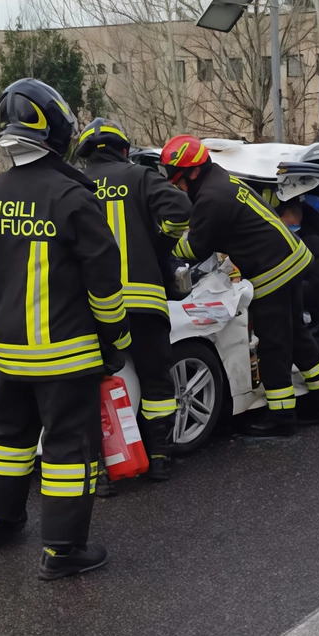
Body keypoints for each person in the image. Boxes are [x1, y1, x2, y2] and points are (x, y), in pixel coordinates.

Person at [0, 79, 129, 580]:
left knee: (8, 439)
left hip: (8, 352)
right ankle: (62, 550)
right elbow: (104, 283)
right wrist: (117, 342)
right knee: (66, 451)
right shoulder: (74, 197)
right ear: (58, 130)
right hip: (66, 354)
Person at [163, 135, 319, 435]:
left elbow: (195, 249)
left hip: (272, 271)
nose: (176, 186)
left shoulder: (211, 197)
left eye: (178, 179)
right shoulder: (220, 179)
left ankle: (282, 419)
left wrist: (166, 245)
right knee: (297, 336)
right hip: (292, 259)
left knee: (273, 346)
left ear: (193, 172)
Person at [78, 117, 191, 481]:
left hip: (91, 306)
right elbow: (181, 212)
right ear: (124, 149)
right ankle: (159, 456)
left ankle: (98, 466)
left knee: (90, 385)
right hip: (143, 302)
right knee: (156, 379)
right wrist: (162, 243)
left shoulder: (71, 183)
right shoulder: (140, 176)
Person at [276, 195, 319, 332]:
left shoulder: (311, 242)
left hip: (305, 311)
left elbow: (318, 283)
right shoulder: (285, 239)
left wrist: (283, 290)